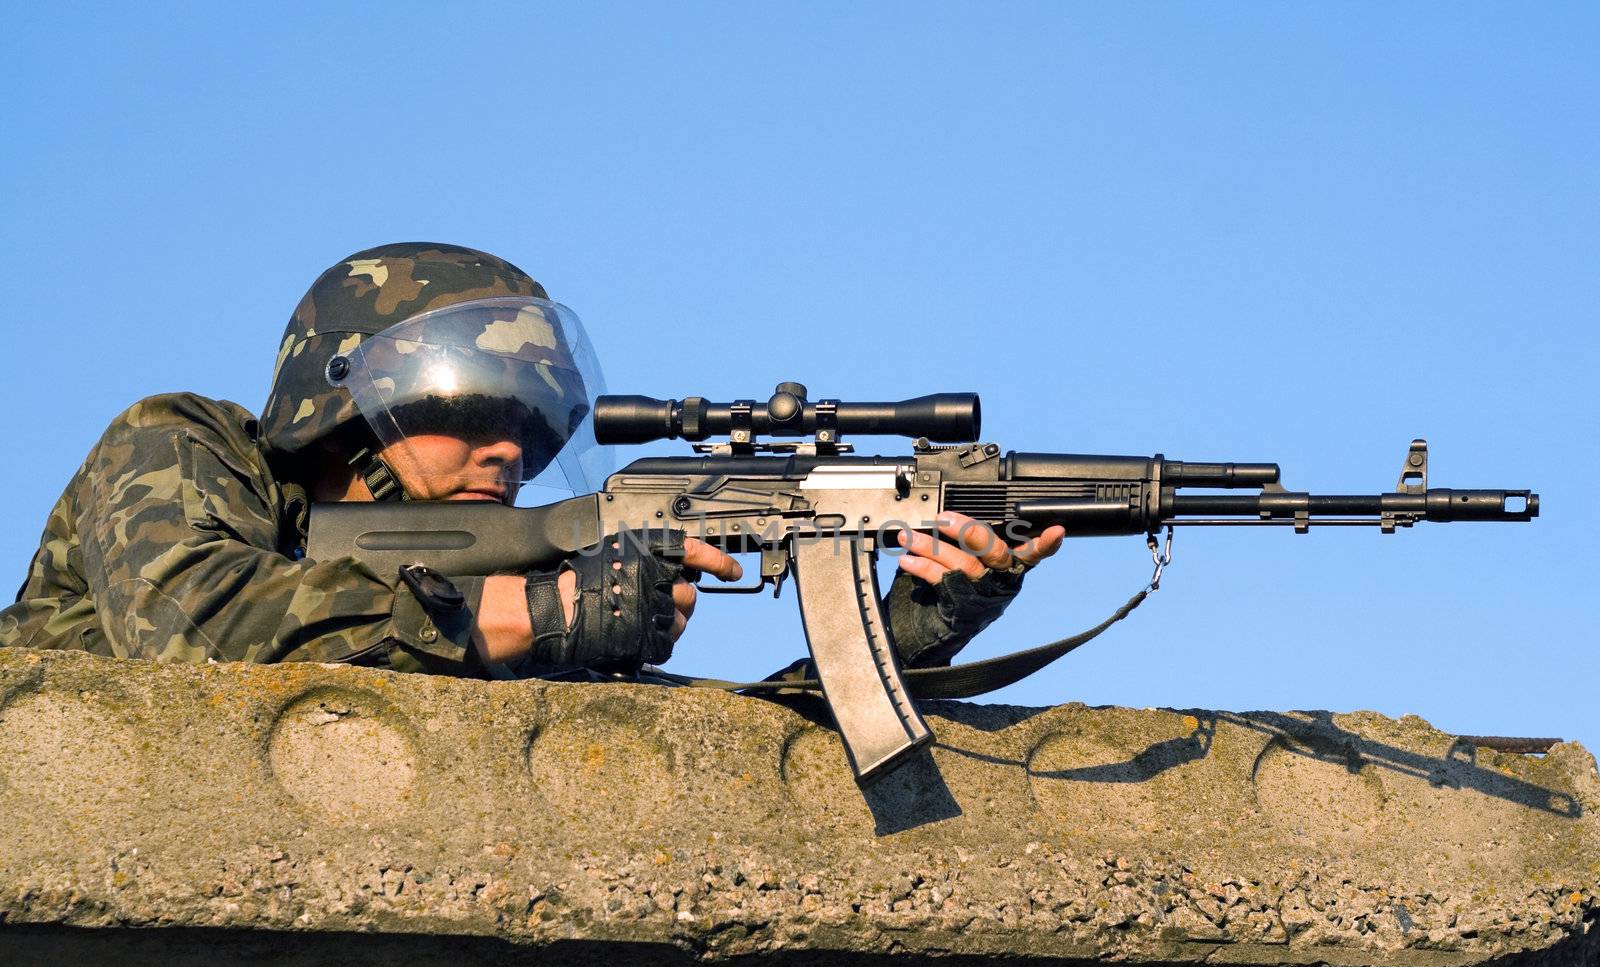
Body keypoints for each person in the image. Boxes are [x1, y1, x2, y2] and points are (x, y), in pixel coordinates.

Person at [0, 242, 1062, 679]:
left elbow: (703, 758)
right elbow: (191, 633)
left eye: (530, 428)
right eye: (468, 413)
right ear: (351, 399)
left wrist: (917, 630)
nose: (507, 449)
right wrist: (533, 618)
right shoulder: (183, 439)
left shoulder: (470, 609)